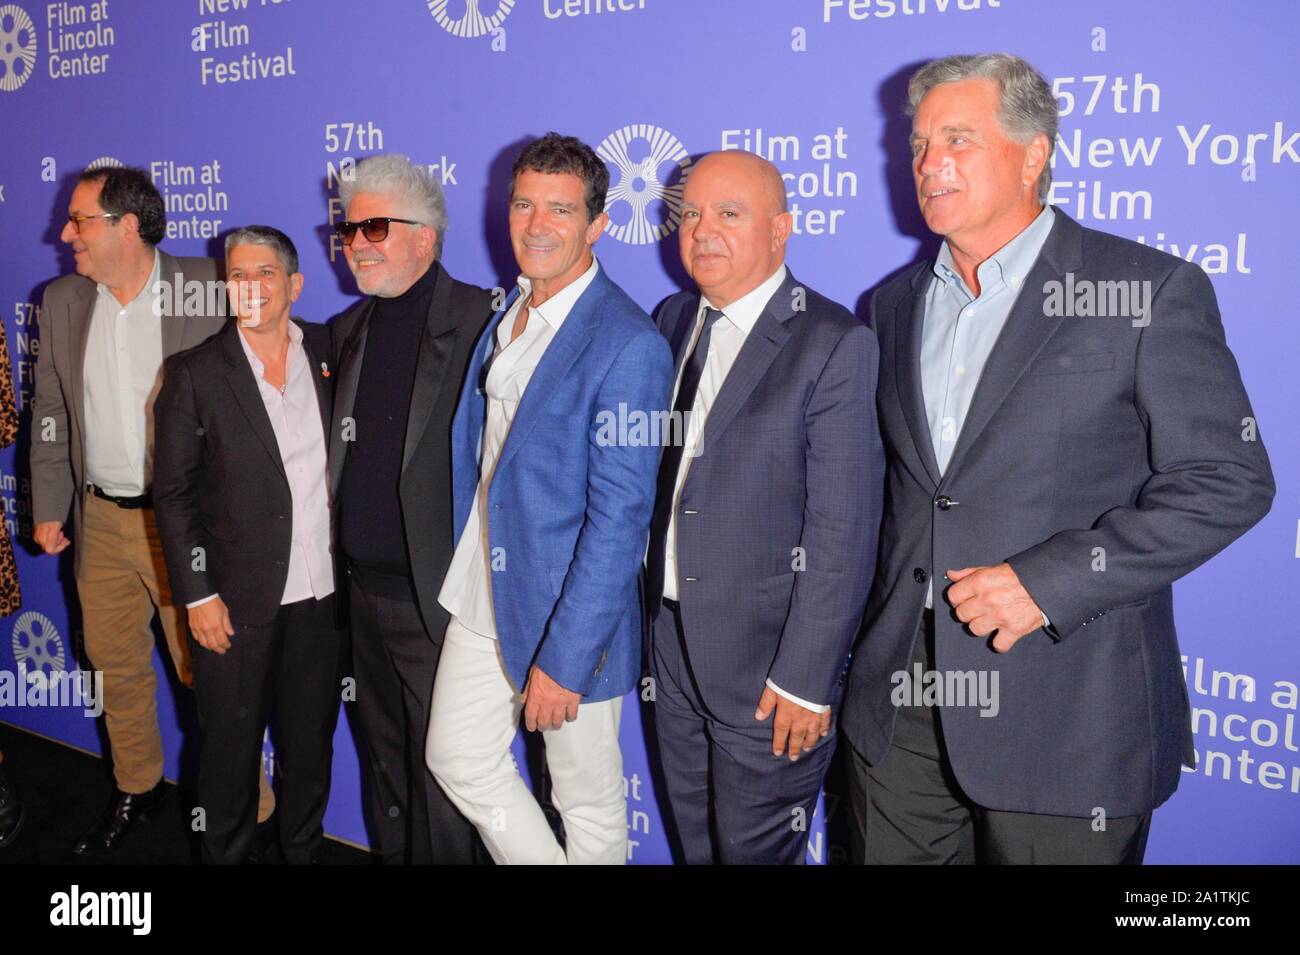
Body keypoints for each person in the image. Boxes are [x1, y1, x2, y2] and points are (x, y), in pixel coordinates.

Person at [840, 53, 1275, 864]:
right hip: (899, 720)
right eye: (920, 144)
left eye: (959, 139)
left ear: (1034, 151)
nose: (930, 164)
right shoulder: (892, 305)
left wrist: (1047, 580)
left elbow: (1230, 480)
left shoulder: (1146, 289)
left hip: (1068, 723)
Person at [426, 132, 673, 865]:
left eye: (560, 210)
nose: (537, 224)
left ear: (597, 224)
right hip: (483, 591)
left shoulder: (628, 344)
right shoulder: (510, 314)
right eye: (524, 204)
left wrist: (566, 658)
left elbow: (620, 521)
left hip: (572, 612)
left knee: (588, 801)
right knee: (458, 754)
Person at [643, 150, 882, 864]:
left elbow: (843, 530)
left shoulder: (832, 341)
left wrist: (806, 677)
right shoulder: (673, 317)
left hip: (769, 670)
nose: (702, 231)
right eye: (690, 215)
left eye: (728, 214)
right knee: (696, 846)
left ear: (780, 230)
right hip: (670, 645)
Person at [30, 166, 272, 854]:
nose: (65, 234)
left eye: (80, 220)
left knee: (209, 671)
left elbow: (267, 373)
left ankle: (249, 807)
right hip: (101, 519)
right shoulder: (62, 301)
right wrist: (50, 503)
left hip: (186, 523)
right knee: (113, 663)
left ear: (126, 227)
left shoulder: (207, 286)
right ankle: (137, 786)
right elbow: (50, 412)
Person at [153, 226, 343, 864]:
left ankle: (303, 853)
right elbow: (174, 497)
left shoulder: (331, 350)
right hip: (233, 605)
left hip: (322, 601)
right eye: (238, 274)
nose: (250, 287)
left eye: (265, 273)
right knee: (230, 764)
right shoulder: (194, 374)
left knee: (310, 755)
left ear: (294, 284)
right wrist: (198, 595)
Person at [329, 154, 494, 864]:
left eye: (373, 227)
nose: (355, 242)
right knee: (386, 768)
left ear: (425, 236)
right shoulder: (347, 330)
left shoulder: (487, 321)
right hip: (359, 598)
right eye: (346, 229)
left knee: (448, 778)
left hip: (442, 605)